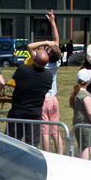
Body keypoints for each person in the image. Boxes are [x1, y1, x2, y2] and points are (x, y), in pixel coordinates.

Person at [27, 12, 63, 153]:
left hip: (44, 100)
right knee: (55, 130)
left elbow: (30, 46)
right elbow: (57, 41)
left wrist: (46, 42)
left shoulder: (42, 62)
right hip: (54, 99)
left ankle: (48, 155)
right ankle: (61, 155)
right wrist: (53, 22)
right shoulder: (57, 62)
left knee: (45, 131)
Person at [6, 40, 53, 148]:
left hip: (17, 111)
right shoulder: (48, 76)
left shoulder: (23, 69)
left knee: (12, 143)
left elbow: (15, 80)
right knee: (32, 145)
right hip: (34, 114)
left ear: (34, 58)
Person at [71, 68, 91, 161]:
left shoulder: (77, 92)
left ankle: (75, 164)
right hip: (86, 124)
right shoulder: (86, 95)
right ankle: (83, 165)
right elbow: (90, 112)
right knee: (89, 146)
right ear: (88, 81)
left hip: (79, 123)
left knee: (82, 147)